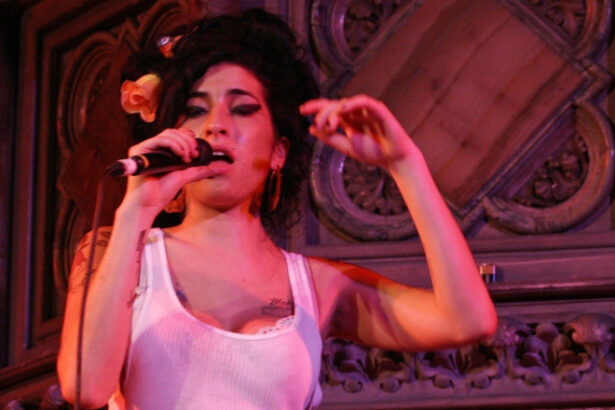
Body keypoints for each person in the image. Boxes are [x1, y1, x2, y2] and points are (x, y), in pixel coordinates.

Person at [57, 8, 497, 410]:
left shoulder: (317, 285)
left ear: (279, 151)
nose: (216, 125)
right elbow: (85, 386)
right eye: (195, 110)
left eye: (242, 109)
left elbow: (467, 321)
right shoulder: (116, 250)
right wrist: (136, 213)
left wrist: (405, 166)